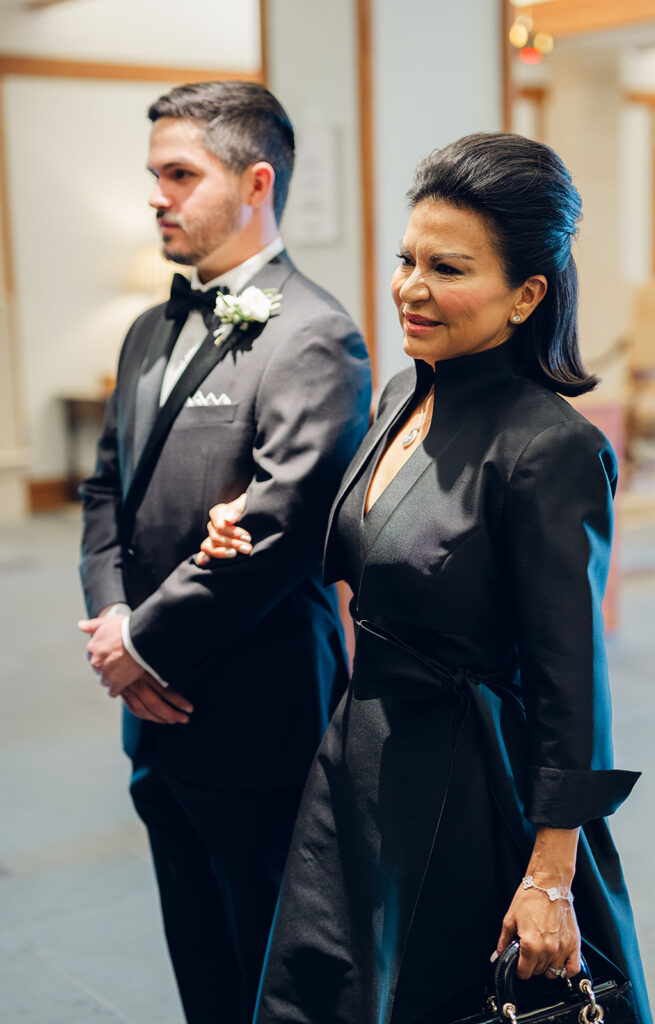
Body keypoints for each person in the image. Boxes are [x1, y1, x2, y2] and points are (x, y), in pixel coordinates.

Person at [199, 133, 652, 1024]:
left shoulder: (552, 448)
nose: (411, 287)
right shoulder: (405, 390)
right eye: (408, 260)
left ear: (528, 295)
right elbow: (377, 541)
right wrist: (249, 518)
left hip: (466, 786)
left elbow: (571, 678)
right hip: (357, 758)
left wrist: (552, 872)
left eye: (448, 269)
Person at [77, 80, 372, 1024]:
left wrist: (144, 647)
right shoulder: (145, 330)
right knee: (198, 960)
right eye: (153, 175)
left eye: (179, 175)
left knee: (276, 973)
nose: (157, 195)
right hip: (153, 724)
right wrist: (115, 626)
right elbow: (104, 494)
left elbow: (280, 532)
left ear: (255, 184)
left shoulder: (313, 333)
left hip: (257, 715)